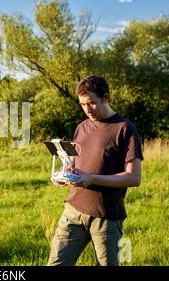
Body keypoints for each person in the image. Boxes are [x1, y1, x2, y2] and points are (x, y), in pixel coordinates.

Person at [47, 75, 143, 266]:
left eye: (91, 103)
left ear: (105, 98)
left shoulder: (124, 129)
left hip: (106, 217)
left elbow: (134, 177)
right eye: (82, 104)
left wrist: (92, 178)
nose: (87, 109)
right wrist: (64, 174)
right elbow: (74, 164)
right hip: (73, 210)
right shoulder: (81, 127)